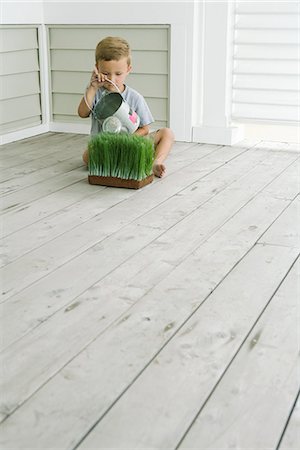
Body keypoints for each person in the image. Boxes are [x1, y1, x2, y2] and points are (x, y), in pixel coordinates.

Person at [78, 36, 174, 178]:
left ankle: (156, 162)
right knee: (87, 156)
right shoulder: (95, 93)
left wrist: (128, 140)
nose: (112, 78)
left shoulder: (134, 97)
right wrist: (92, 88)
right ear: (97, 69)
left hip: (131, 143)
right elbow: (82, 113)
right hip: (107, 147)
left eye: (118, 74)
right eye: (105, 73)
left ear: (128, 69)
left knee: (167, 133)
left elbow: (145, 128)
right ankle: (122, 163)